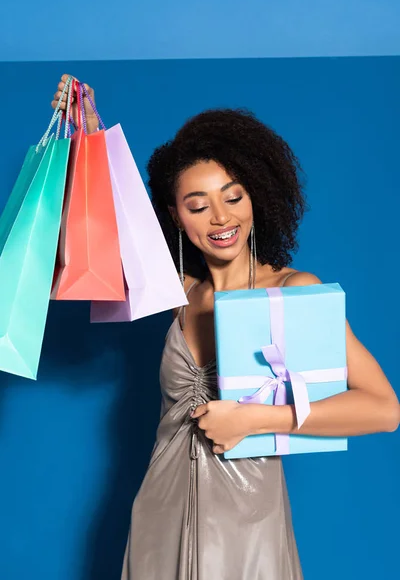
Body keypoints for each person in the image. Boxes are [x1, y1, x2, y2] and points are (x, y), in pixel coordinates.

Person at [52, 76, 399, 580]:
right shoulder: (175, 291)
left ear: (255, 199)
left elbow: (384, 408)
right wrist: (82, 139)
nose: (220, 217)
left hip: (247, 518)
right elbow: (89, 241)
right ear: (175, 214)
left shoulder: (292, 291)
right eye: (197, 205)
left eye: (233, 197)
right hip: (159, 511)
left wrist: (256, 420)